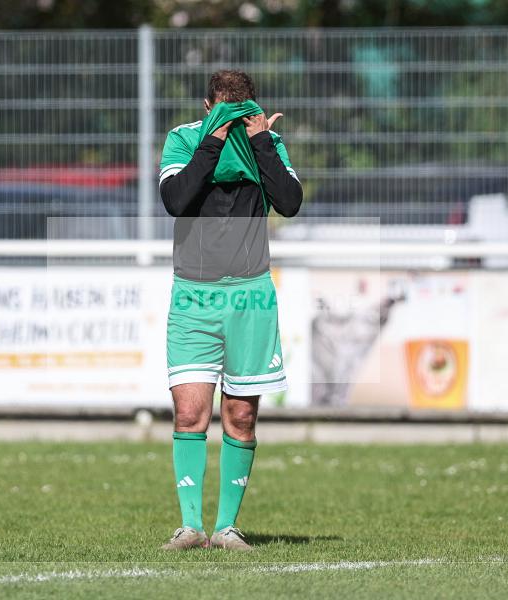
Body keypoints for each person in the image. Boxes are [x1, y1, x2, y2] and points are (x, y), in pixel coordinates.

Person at [157, 70, 302, 551]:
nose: (232, 121)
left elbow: (290, 201)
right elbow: (177, 201)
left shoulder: (269, 143)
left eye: (240, 113)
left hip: (250, 295)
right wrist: (213, 141)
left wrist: (260, 142)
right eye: (223, 111)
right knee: (189, 410)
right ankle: (189, 526)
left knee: (240, 416)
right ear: (206, 107)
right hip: (193, 296)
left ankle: (227, 528)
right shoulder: (183, 141)